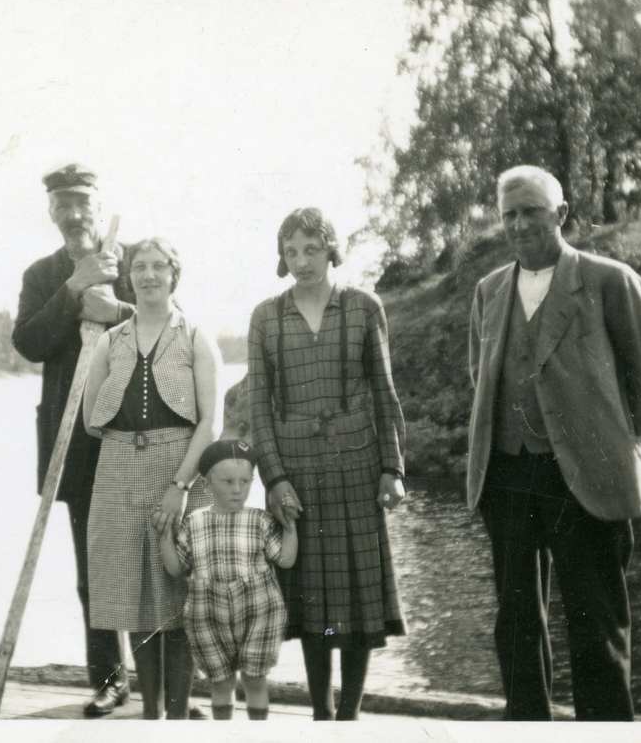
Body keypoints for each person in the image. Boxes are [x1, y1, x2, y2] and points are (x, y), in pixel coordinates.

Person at [467, 165, 641, 721]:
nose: (519, 224)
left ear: (561, 213)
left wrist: (614, 439)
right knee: (516, 624)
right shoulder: (489, 290)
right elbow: (481, 376)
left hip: (588, 475)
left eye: (532, 211)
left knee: (596, 627)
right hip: (506, 475)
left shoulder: (610, 281)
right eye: (509, 214)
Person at [249, 207, 407, 721]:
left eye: (311, 250)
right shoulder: (266, 317)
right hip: (296, 472)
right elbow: (258, 408)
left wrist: (393, 468)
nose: (302, 261)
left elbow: (384, 393)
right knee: (311, 598)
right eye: (291, 252)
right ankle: (321, 715)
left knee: (359, 596)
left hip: (357, 466)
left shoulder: (363, 307)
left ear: (331, 250)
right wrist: (274, 479)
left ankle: (350, 717)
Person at [83, 237, 223, 720]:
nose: (148, 275)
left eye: (158, 266)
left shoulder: (196, 337)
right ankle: (151, 716)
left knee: (178, 597)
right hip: (119, 472)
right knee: (136, 600)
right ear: (129, 278)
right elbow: (91, 419)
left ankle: (178, 719)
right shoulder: (110, 341)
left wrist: (179, 486)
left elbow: (210, 424)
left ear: (173, 274)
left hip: (180, 471)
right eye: (139, 267)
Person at [11, 163, 133, 716]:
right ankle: (110, 677)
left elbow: (173, 326)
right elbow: (28, 344)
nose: (73, 213)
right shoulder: (42, 275)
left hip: (140, 435)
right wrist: (74, 287)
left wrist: (118, 312)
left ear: (99, 205)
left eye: (82, 201)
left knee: (159, 558)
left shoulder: (138, 259)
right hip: (77, 441)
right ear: (51, 212)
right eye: (62, 204)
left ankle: (168, 681)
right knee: (93, 566)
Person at [160, 439, 297, 721]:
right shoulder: (194, 522)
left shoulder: (259, 520)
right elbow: (175, 568)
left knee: (255, 678)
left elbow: (285, 559)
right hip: (208, 615)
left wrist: (289, 525)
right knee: (220, 681)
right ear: (207, 485)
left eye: (245, 481)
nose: (237, 489)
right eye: (228, 482)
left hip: (258, 612)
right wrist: (164, 535)